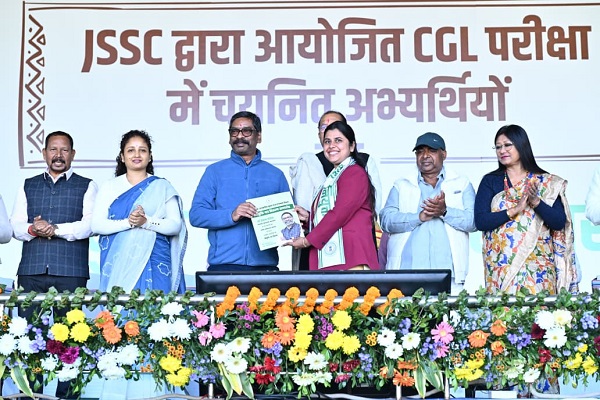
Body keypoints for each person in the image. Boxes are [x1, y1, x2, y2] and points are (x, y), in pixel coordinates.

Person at [10, 130, 97, 399]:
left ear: (73, 154)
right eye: (53, 150)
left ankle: (67, 397)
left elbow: (89, 226)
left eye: (64, 150)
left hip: (70, 273)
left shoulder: (87, 185)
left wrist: (55, 229)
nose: (58, 155)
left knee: (70, 339)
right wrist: (33, 229)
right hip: (32, 271)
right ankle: (30, 395)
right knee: (29, 339)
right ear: (44, 153)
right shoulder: (28, 185)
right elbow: (15, 226)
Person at [474, 124, 578, 296]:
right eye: (498, 147)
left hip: (538, 268)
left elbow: (559, 222)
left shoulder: (546, 182)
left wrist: (536, 203)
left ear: (521, 145)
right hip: (502, 267)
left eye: (507, 145)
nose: (502, 151)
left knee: (539, 312)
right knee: (504, 312)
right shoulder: (490, 181)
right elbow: (481, 221)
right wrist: (515, 209)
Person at [189, 111, 290, 271]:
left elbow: (288, 220)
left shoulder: (276, 175)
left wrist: (297, 220)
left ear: (259, 136)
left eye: (247, 131)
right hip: (223, 266)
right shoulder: (214, 172)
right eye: (234, 131)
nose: (239, 136)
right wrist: (232, 215)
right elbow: (196, 215)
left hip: (265, 267)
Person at [91, 130, 187, 294]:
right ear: (122, 157)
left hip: (156, 260)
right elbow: (97, 225)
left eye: (142, 150)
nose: (137, 155)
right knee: (121, 306)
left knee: (158, 306)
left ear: (150, 156)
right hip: (119, 261)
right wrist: (129, 222)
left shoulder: (162, 186)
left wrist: (146, 222)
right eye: (131, 150)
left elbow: (175, 225)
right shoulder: (110, 186)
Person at [379, 132, 476, 294]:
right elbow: (386, 220)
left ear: (444, 154)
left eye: (431, 150)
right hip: (406, 273)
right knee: (407, 312)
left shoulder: (461, 183)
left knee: (448, 311)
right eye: (420, 151)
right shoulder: (402, 185)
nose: (424, 156)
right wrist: (418, 217)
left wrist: (444, 212)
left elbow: (473, 222)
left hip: (448, 276)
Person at [289, 110, 382, 270]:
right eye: (327, 141)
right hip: (334, 259)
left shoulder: (355, 173)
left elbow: (339, 214)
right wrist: (309, 218)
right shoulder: (332, 179)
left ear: (352, 146)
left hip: (352, 257)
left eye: (338, 140)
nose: (331, 146)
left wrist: (306, 241)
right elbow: (334, 213)